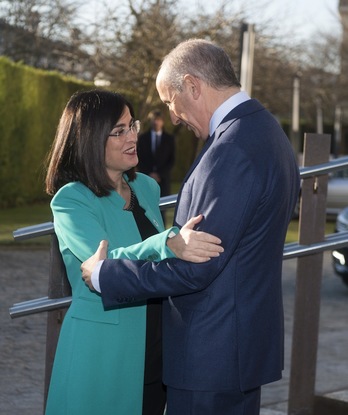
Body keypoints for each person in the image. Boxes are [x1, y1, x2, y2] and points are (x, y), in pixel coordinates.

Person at [81, 39, 300, 415]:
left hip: (210, 356)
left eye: (170, 101)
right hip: (237, 351)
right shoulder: (267, 131)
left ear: (193, 86)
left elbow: (195, 267)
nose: (175, 116)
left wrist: (105, 275)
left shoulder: (230, 150)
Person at [44, 89, 223, 415]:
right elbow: (103, 268)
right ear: (90, 139)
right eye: (119, 131)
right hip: (101, 352)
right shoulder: (71, 199)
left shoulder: (147, 188)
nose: (132, 137)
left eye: (132, 126)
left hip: (154, 352)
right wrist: (167, 243)